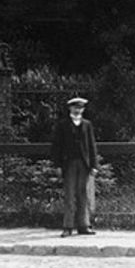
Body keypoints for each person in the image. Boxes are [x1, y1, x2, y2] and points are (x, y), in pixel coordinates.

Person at [51, 96, 98, 237]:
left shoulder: (87, 125)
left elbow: (92, 145)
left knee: (83, 194)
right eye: (75, 107)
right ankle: (68, 226)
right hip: (69, 163)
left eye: (80, 107)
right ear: (70, 108)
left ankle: (84, 225)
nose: (78, 110)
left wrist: (94, 165)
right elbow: (56, 146)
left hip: (84, 164)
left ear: (83, 109)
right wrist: (57, 165)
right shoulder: (62, 125)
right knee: (70, 194)